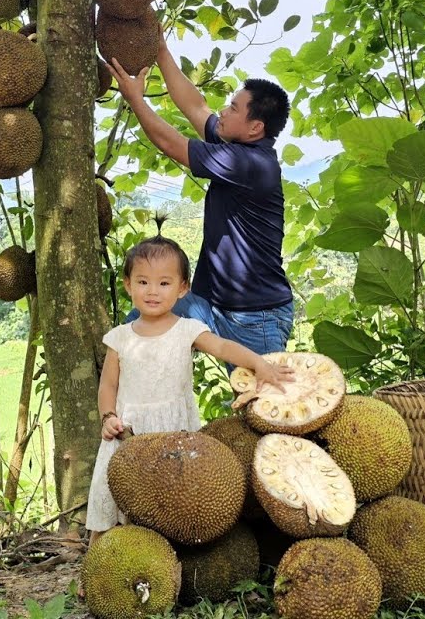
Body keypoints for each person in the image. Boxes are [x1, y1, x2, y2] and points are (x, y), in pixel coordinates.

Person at [85, 232, 294, 546]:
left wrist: (259, 364)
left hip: (175, 431)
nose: (152, 291)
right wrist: (107, 417)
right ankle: (98, 565)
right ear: (128, 285)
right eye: (143, 282)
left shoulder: (188, 330)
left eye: (164, 283)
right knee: (110, 495)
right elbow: (108, 385)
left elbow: (223, 347)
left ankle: (168, 563)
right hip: (127, 431)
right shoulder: (120, 338)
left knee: (175, 502)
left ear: (183, 288)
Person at [107, 40, 294, 356]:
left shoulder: (252, 164)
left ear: (255, 128)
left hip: (257, 317)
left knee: (260, 403)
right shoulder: (236, 146)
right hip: (209, 304)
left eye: (233, 108)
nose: (223, 110)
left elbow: (173, 144)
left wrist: (136, 100)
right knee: (133, 335)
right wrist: (161, 50)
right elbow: (195, 106)